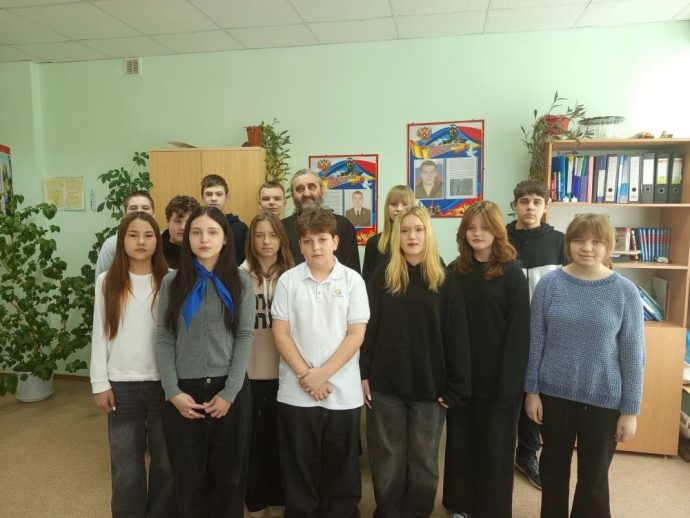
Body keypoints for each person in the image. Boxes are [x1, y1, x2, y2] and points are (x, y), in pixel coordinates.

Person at [525, 213, 645, 518]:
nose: (587, 247)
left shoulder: (625, 292)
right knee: (552, 470)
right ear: (568, 243)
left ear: (609, 246)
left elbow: (633, 355)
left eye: (596, 241)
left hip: (604, 401)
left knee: (593, 479)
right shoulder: (549, 285)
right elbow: (535, 341)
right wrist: (532, 391)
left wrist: (630, 411)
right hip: (553, 396)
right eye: (579, 240)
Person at [361, 206, 470, 517]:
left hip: (430, 386)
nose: (412, 236)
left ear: (428, 234)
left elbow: (457, 337)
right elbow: (368, 329)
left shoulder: (445, 280)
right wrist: (364, 374)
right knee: (387, 457)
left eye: (418, 230)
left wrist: (455, 386)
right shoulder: (382, 277)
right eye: (405, 230)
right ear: (396, 235)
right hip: (386, 383)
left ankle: (417, 512)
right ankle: (388, 511)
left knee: (423, 458)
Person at [157, 206, 255, 517]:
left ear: (225, 238)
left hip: (229, 391)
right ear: (187, 238)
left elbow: (245, 336)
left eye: (212, 232)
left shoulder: (241, 282)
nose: (204, 239)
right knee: (189, 478)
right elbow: (164, 337)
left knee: (229, 478)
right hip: (184, 392)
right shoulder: (172, 282)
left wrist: (230, 392)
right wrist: (172, 391)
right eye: (196, 232)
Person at [271, 207, 369, 517]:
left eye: (322, 239)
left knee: (342, 467)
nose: (316, 247)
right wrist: (306, 375)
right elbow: (281, 333)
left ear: (335, 242)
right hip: (296, 391)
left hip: (342, 392)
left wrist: (322, 375)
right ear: (299, 245)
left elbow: (356, 334)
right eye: (308, 241)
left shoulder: (353, 281)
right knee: (299, 465)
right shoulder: (288, 281)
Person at [444, 200, 530, 518]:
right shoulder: (454, 271)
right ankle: (461, 507)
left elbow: (519, 333)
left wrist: (509, 385)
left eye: (484, 228)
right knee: (461, 446)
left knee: (496, 449)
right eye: (471, 228)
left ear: (497, 231)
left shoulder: (512, 274)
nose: (477, 233)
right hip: (462, 377)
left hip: (499, 380)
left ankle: (492, 510)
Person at [90, 211, 176, 517]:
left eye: (148, 235)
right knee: (126, 463)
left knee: (167, 461)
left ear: (157, 241)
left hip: (164, 384)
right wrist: (99, 383)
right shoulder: (107, 281)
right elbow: (100, 333)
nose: (141, 241)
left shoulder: (170, 279)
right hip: (121, 385)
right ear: (122, 240)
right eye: (133, 235)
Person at [506, 179, 566, 490]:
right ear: (514, 205)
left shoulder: (559, 242)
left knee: (536, 394)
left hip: (546, 332)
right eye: (524, 201)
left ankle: (527, 453)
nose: (530, 207)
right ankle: (500, 452)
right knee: (508, 393)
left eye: (537, 202)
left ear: (546, 207)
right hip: (506, 331)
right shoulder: (500, 238)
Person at [240, 212, 294, 518]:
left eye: (272, 235)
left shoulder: (294, 276)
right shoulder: (238, 276)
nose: (266, 242)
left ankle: (282, 499)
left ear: (281, 239)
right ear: (251, 239)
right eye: (259, 235)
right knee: (254, 444)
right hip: (250, 373)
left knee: (282, 443)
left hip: (288, 373)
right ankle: (257, 502)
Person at [282, 169, 360, 272]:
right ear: (293, 195)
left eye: (311, 187)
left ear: (322, 190)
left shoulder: (343, 225)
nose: (306, 193)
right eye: (300, 189)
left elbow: (352, 271)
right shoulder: (282, 228)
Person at [95, 190, 155, 277]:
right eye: (133, 208)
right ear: (124, 214)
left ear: (154, 214)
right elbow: (102, 280)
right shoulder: (111, 244)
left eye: (145, 208)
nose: (139, 212)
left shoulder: (162, 239)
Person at [362, 185, 414, 283]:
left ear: (412, 208)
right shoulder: (374, 243)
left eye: (404, 204)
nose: (399, 208)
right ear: (387, 207)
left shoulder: (417, 242)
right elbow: (367, 282)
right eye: (394, 204)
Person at [201, 173, 248, 264]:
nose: (214, 198)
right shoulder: (196, 227)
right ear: (203, 197)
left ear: (227, 197)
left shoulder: (240, 228)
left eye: (219, 194)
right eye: (209, 194)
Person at [162, 195, 199, 269]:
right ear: (168, 222)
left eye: (188, 222)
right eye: (177, 221)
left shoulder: (203, 251)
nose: (183, 227)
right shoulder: (155, 250)